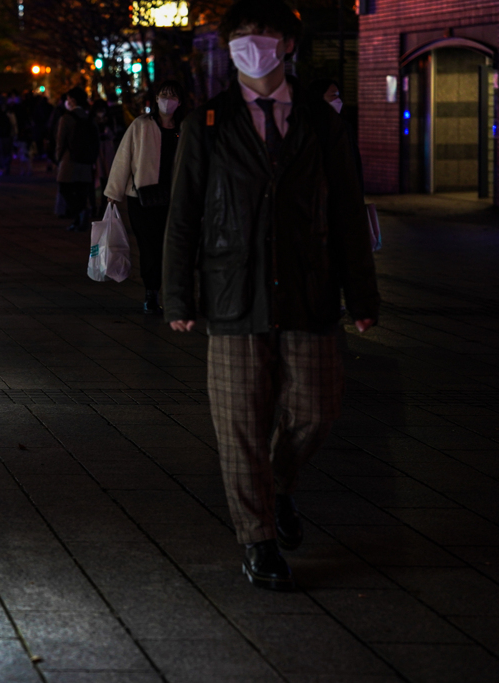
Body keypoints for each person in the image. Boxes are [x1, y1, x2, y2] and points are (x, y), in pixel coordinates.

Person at [162, 0, 379, 591]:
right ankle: (257, 539)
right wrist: (178, 296)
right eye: (241, 37)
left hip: (309, 288)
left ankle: (278, 485)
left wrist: (361, 294)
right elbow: (183, 215)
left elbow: (346, 211)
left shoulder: (320, 118)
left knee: (317, 407)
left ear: (287, 44)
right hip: (233, 293)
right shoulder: (209, 121)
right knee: (239, 423)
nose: (251, 45)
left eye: (263, 35)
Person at [105, 81, 185, 313]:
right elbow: (124, 157)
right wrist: (113, 192)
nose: (166, 100)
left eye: (171, 96)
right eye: (163, 95)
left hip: (173, 197)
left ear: (179, 102)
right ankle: (152, 292)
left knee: (171, 247)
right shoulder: (141, 125)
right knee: (149, 246)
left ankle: (171, 291)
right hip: (143, 197)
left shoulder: (185, 128)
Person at [310, 77, 364, 194]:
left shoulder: (343, 127)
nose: (338, 100)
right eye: (333, 95)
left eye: (338, 95)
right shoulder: (309, 129)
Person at [55, 87, 98, 232]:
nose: (66, 102)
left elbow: (61, 141)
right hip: (86, 161)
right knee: (81, 191)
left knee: (64, 187)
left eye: (68, 99)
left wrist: (58, 158)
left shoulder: (66, 118)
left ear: (72, 100)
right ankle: (79, 220)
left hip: (69, 160)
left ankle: (80, 214)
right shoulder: (89, 117)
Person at [0, 100, 15, 176]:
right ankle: (7, 167)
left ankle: (1, 168)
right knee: (7, 152)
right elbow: (14, 125)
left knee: (1, 152)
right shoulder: (10, 114)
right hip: (8, 136)